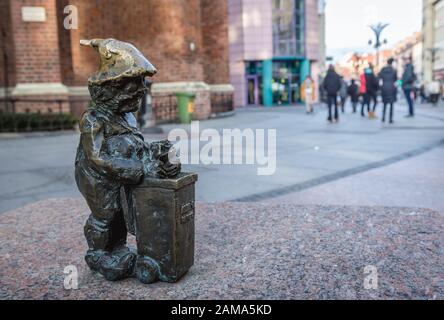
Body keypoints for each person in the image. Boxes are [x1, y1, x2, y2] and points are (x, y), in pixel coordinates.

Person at [76, 38, 180, 281]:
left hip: (121, 175)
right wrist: (136, 168)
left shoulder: (128, 117)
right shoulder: (93, 119)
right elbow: (97, 157)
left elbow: (136, 143)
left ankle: (119, 247)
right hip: (97, 179)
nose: (142, 90)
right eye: (135, 84)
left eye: (143, 83)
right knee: (106, 213)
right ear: (112, 88)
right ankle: (98, 252)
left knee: (123, 211)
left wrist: (153, 154)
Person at [378, 58, 397, 124]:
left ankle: (383, 117)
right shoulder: (394, 70)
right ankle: (390, 119)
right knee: (391, 104)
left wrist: (381, 87)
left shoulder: (383, 69)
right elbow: (395, 80)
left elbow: (379, 78)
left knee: (385, 104)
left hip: (384, 88)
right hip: (392, 88)